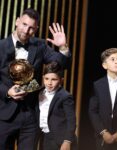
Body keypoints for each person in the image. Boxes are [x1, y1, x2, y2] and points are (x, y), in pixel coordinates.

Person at [0, 8, 71, 150]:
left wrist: (63, 47)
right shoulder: (1, 46)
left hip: (30, 116)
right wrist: (7, 91)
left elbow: (61, 64)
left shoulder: (40, 46)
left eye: (31, 28)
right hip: (4, 115)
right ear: (17, 21)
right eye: (24, 25)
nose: (26, 31)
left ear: (36, 29)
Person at [37, 61, 77, 150]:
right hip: (45, 136)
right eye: (46, 79)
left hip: (60, 139)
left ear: (61, 80)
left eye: (54, 79)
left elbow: (71, 121)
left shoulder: (65, 96)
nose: (49, 83)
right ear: (43, 78)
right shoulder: (39, 92)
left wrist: (67, 141)